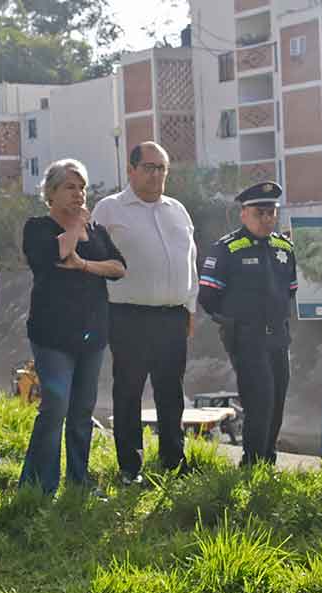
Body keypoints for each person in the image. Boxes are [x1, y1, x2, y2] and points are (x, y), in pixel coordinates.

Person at [91, 141, 197, 484]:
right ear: (131, 170)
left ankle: (173, 460)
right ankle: (130, 467)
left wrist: (190, 308)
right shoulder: (109, 209)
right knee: (129, 392)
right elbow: (95, 259)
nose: (156, 174)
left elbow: (190, 263)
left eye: (161, 168)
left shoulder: (177, 210)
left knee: (171, 391)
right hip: (128, 316)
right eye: (149, 167)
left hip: (173, 316)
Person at [19, 159, 126, 495]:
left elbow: (119, 267)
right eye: (69, 186)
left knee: (82, 410)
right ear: (50, 193)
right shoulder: (37, 228)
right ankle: (39, 487)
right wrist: (75, 231)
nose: (78, 193)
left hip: (92, 333)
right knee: (56, 406)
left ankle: (79, 482)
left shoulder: (97, 232)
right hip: (52, 335)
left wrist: (83, 265)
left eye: (81, 187)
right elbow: (52, 255)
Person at [197, 181, 298, 466]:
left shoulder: (284, 247)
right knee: (260, 399)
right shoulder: (228, 249)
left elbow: (290, 289)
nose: (267, 219)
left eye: (271, 213)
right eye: (260, 213)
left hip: (278, 335)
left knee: (277, 399)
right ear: (244, 214)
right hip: (246, 336)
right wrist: (232, 322)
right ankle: (252, 462)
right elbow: (208, 295)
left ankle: (268, 461)